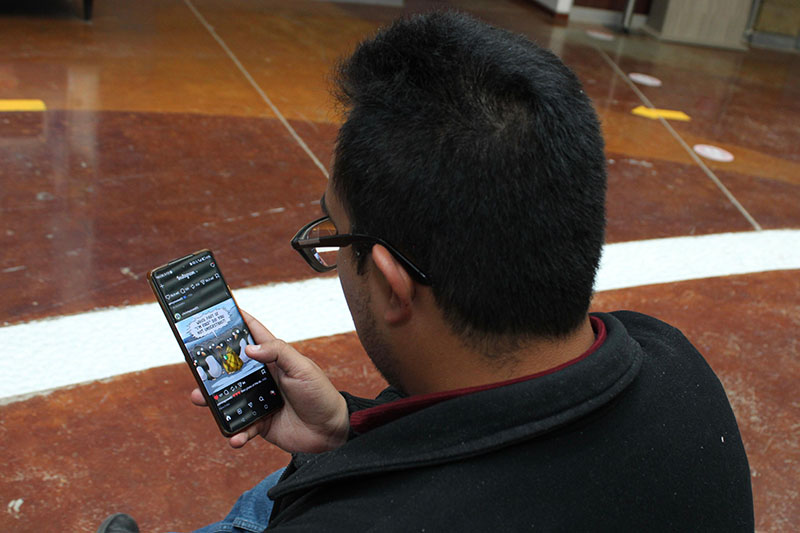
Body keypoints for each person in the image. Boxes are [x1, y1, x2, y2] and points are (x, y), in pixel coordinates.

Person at [99, 11, 753, 533]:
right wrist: (348, 428)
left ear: (391, 283)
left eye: (332, 234)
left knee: (265, 498)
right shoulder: (674, 366)